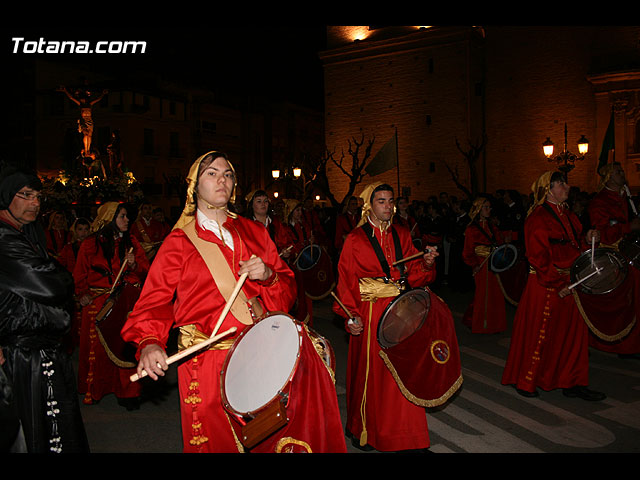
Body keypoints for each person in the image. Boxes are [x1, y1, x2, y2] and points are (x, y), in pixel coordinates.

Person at [121, 151, 346, 453]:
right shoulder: (179, 241)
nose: (222, 180)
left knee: (270, 438)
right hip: (208, 358)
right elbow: (154, 300)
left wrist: (268, 275)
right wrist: (149, 341)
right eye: (211, 174)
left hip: (259, 351)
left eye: (228, 174)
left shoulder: (254, 232)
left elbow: (287, 293)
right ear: (194, 186)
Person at [332, 181, 459, 453]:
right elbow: (345, 282)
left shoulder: (402, 234)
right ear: (369, 206)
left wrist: (426, 263)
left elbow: (413, 275)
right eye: (382, 201)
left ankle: (410, 437)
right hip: (370, 310)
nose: (388, 206)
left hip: (402, 310)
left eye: (391, 201)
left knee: (406, 370)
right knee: (373, 375)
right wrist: (350, 316)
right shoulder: (354, 239)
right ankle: (362, 429)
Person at [0, 165, 89, 452]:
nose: (35, 203)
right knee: (32, 431)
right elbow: (54, 285)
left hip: (42, 351)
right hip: (21, 357)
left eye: (38, 197)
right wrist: (61, 276)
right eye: (26, 195)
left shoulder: (27, 234)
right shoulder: (4, 239)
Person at [502, 171, 606, 401]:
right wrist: (557, 282)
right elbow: (538, 257)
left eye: (565, 183)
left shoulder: (568, 215)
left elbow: (573, 243)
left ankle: (573, 381)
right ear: (548, 190)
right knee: (540, 334)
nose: (567, 186)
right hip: (546, 283)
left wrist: (588, 237)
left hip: (571, 282)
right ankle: (526, 381)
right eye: (561, 184)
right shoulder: (537, 217)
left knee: (573, 335)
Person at [73, 201, 149, 409]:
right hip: (99, 303)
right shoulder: (90, 244)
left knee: (125, 347)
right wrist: (82, 294)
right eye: (122, 216)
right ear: (109, 218)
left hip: (124, 302)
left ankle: (129, 393)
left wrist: (134, 264)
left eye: (127, 216)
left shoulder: (132, 241)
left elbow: (146, 270)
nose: (127, 220)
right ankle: (96, 388)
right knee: (98, 350)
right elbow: (80, 274)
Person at [585, 162, 640, 357]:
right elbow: (603, 234)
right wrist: (628, 227)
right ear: (608, 177)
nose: (622, 173)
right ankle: (624, 345)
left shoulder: (627, 198)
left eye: (622, 170)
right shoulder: (600, 202)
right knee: (622, 303)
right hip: (615, 259)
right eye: (618, 171)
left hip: (633, 254)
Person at [461, 197, 508, 334]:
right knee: (482, 294)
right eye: (485, 207)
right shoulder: (471, 229)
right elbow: (467, 251)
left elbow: (499, 243)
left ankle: (496, 324)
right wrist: (474, 264)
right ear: (479, 209)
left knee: (495, 294)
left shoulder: (493, 227)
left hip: (494, 264)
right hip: (481, 265)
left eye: (489, 207)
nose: (489, 210)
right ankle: (481, 324)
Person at [57, 217, 91, 352]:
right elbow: (59, 266)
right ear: (75, 231)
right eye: (80, 229)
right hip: (72, 289)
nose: (83, 232)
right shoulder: (68, 248)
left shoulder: (93, 247)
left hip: (88, 288)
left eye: (86, 229)